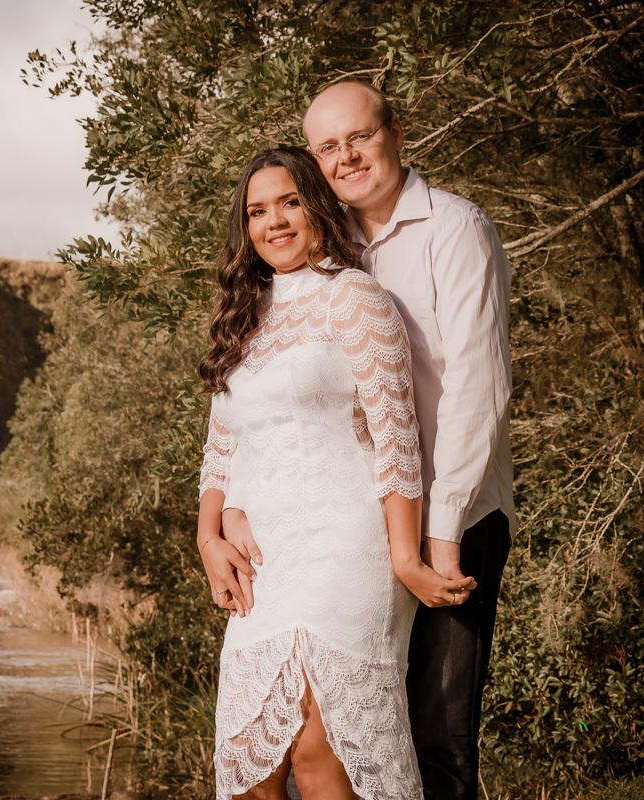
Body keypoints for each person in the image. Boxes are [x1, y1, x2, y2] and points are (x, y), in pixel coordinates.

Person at [196, 147, 475, 800]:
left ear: (318, 206)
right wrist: (208, 538)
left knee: (319, 759)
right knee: (248, 771)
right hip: (264, 560)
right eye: (257, 211)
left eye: (290, 202)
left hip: (347, 547)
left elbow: (397, 440)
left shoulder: (357, 300)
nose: (275, 222)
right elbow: (220, 450)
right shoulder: (244, 320)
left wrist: (407, 557)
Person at [298, 81, 515, 800]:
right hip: (362, 525)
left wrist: (441, 532)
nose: (347, 157)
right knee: (349, 734)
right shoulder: (325, 250)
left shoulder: (456, 228)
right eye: (328, 147)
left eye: (358, 137)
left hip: (455, 520)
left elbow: (477, 389)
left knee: (437, 739)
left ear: (395, 131)